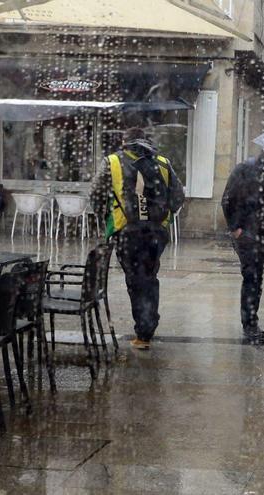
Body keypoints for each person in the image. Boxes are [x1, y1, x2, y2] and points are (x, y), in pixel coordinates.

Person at [92, 128, 185, 350]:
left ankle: (143, 330)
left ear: (125, 141)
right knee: (150, 277)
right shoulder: (162, 162)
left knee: (134, 279)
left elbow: (96, 195)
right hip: (156, 232)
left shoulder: (112, 161)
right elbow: (178, 195)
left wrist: (106, 216)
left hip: (126, 231)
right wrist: (163, 217)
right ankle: (148, 325)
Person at [221, 149, 264, 340]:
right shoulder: (245, 169)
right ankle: (249, 324)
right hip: (246, 233)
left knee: (257, 278)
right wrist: (235, 228)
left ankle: (251, 321)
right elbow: (227, 199)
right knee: (251, 277)